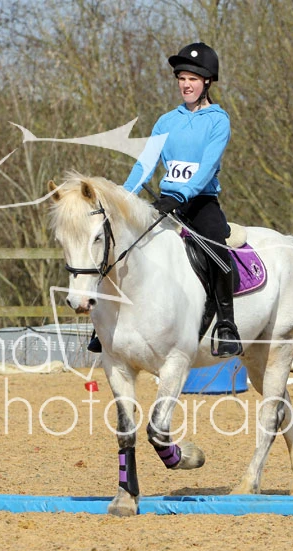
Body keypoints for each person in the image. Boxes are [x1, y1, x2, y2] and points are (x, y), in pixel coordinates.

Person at [117, 41, 242, 358]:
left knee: (216, 249)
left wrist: (181, 195)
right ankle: (109, 326)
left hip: (200, 203)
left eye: (192, 79)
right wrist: (123, 197)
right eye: (182, 79)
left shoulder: (218, 120)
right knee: (124, 245)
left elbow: (207, 168)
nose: (186, 85)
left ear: (207, 82)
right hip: (164, 203)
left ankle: (227, 325)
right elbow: (145, 164)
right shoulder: (166, 121)